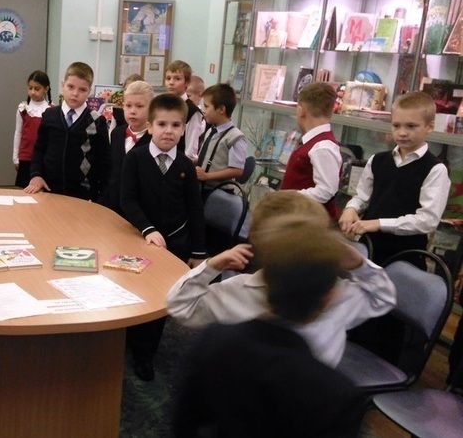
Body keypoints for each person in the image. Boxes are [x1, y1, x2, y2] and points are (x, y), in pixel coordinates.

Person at [170, 214, 367, 438]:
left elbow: (184, 424)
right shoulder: (338, 395)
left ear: (267, 281)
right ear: (327, 300)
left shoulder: (215, 340)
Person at [166, 190, 396, 368]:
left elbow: (180, 306)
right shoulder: (336, 294)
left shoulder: (239, 290)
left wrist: (211, 267)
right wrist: (359, 266)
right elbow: (383, 297)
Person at [120, 93, 207, 381]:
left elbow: (195, 209)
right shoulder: (135, 158)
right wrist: (148, 229)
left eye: (175, 125)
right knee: (137, 292)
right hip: (140, 240)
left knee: (162, 299)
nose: (168, 131)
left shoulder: (185, 166)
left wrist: (198, 252)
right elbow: (127, 199)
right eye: (161, 124)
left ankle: (146, 354)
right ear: (150, 126)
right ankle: (131, 339)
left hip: (176, 244)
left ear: (184, 128)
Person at [339, 91, 450, 269]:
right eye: (396, 125)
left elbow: (427, 220)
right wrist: (351, 209)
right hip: (368, 249)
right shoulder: (377, 160)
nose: (402, 132)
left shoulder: (435, 169)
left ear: (429, 127)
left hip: (406, 257)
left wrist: (379, 224)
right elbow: (362, 196)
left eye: (411, 126)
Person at [24, 62, 110, 201]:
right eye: (70, 87)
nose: (75, 94)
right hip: (49, 191)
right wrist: (36, 174)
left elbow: (105, 163)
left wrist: (102, 198)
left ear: (89, 91)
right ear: (63, 85)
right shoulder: (49, 115)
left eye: (82, 90)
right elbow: (39, 149)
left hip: (83, 196)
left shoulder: (97, 121)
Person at [281, 81, 343, 220]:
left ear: (301, 110)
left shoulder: (323, 146)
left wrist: (289, 197)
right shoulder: (315, 143)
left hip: (310, 224)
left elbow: (326, 190)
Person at [105, 80, 154, 215]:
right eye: (128, 105)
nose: (133, 111)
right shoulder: (116, 133)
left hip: (141, 210)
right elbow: (112, 171)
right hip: (113, 206)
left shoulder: (155, 139)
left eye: (139, 106)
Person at [193, 83, 247, 194]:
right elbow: (208, 156)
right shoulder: (211, 131)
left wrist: (207, 176)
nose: (203, 110)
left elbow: (237, 170)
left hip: (219, 192)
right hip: (203, 188)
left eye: (206, 106)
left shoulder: (236, 137)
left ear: (221, 109)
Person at [13, 70, 53, 188]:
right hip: (26, 157)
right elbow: (18, 133)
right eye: (30, 88)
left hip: (44, 158)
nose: (33, 92)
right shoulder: (23, 109)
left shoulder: (52, 110)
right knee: (24, 190)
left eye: (37, 88)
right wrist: (15, 157)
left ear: (46, 89)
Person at [163, 60, 201, 157]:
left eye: (177, 79)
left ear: (187, 83)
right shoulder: (161, 105)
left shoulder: (192, 111)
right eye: (168, 78)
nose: (171, 82)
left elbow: (191, 148)